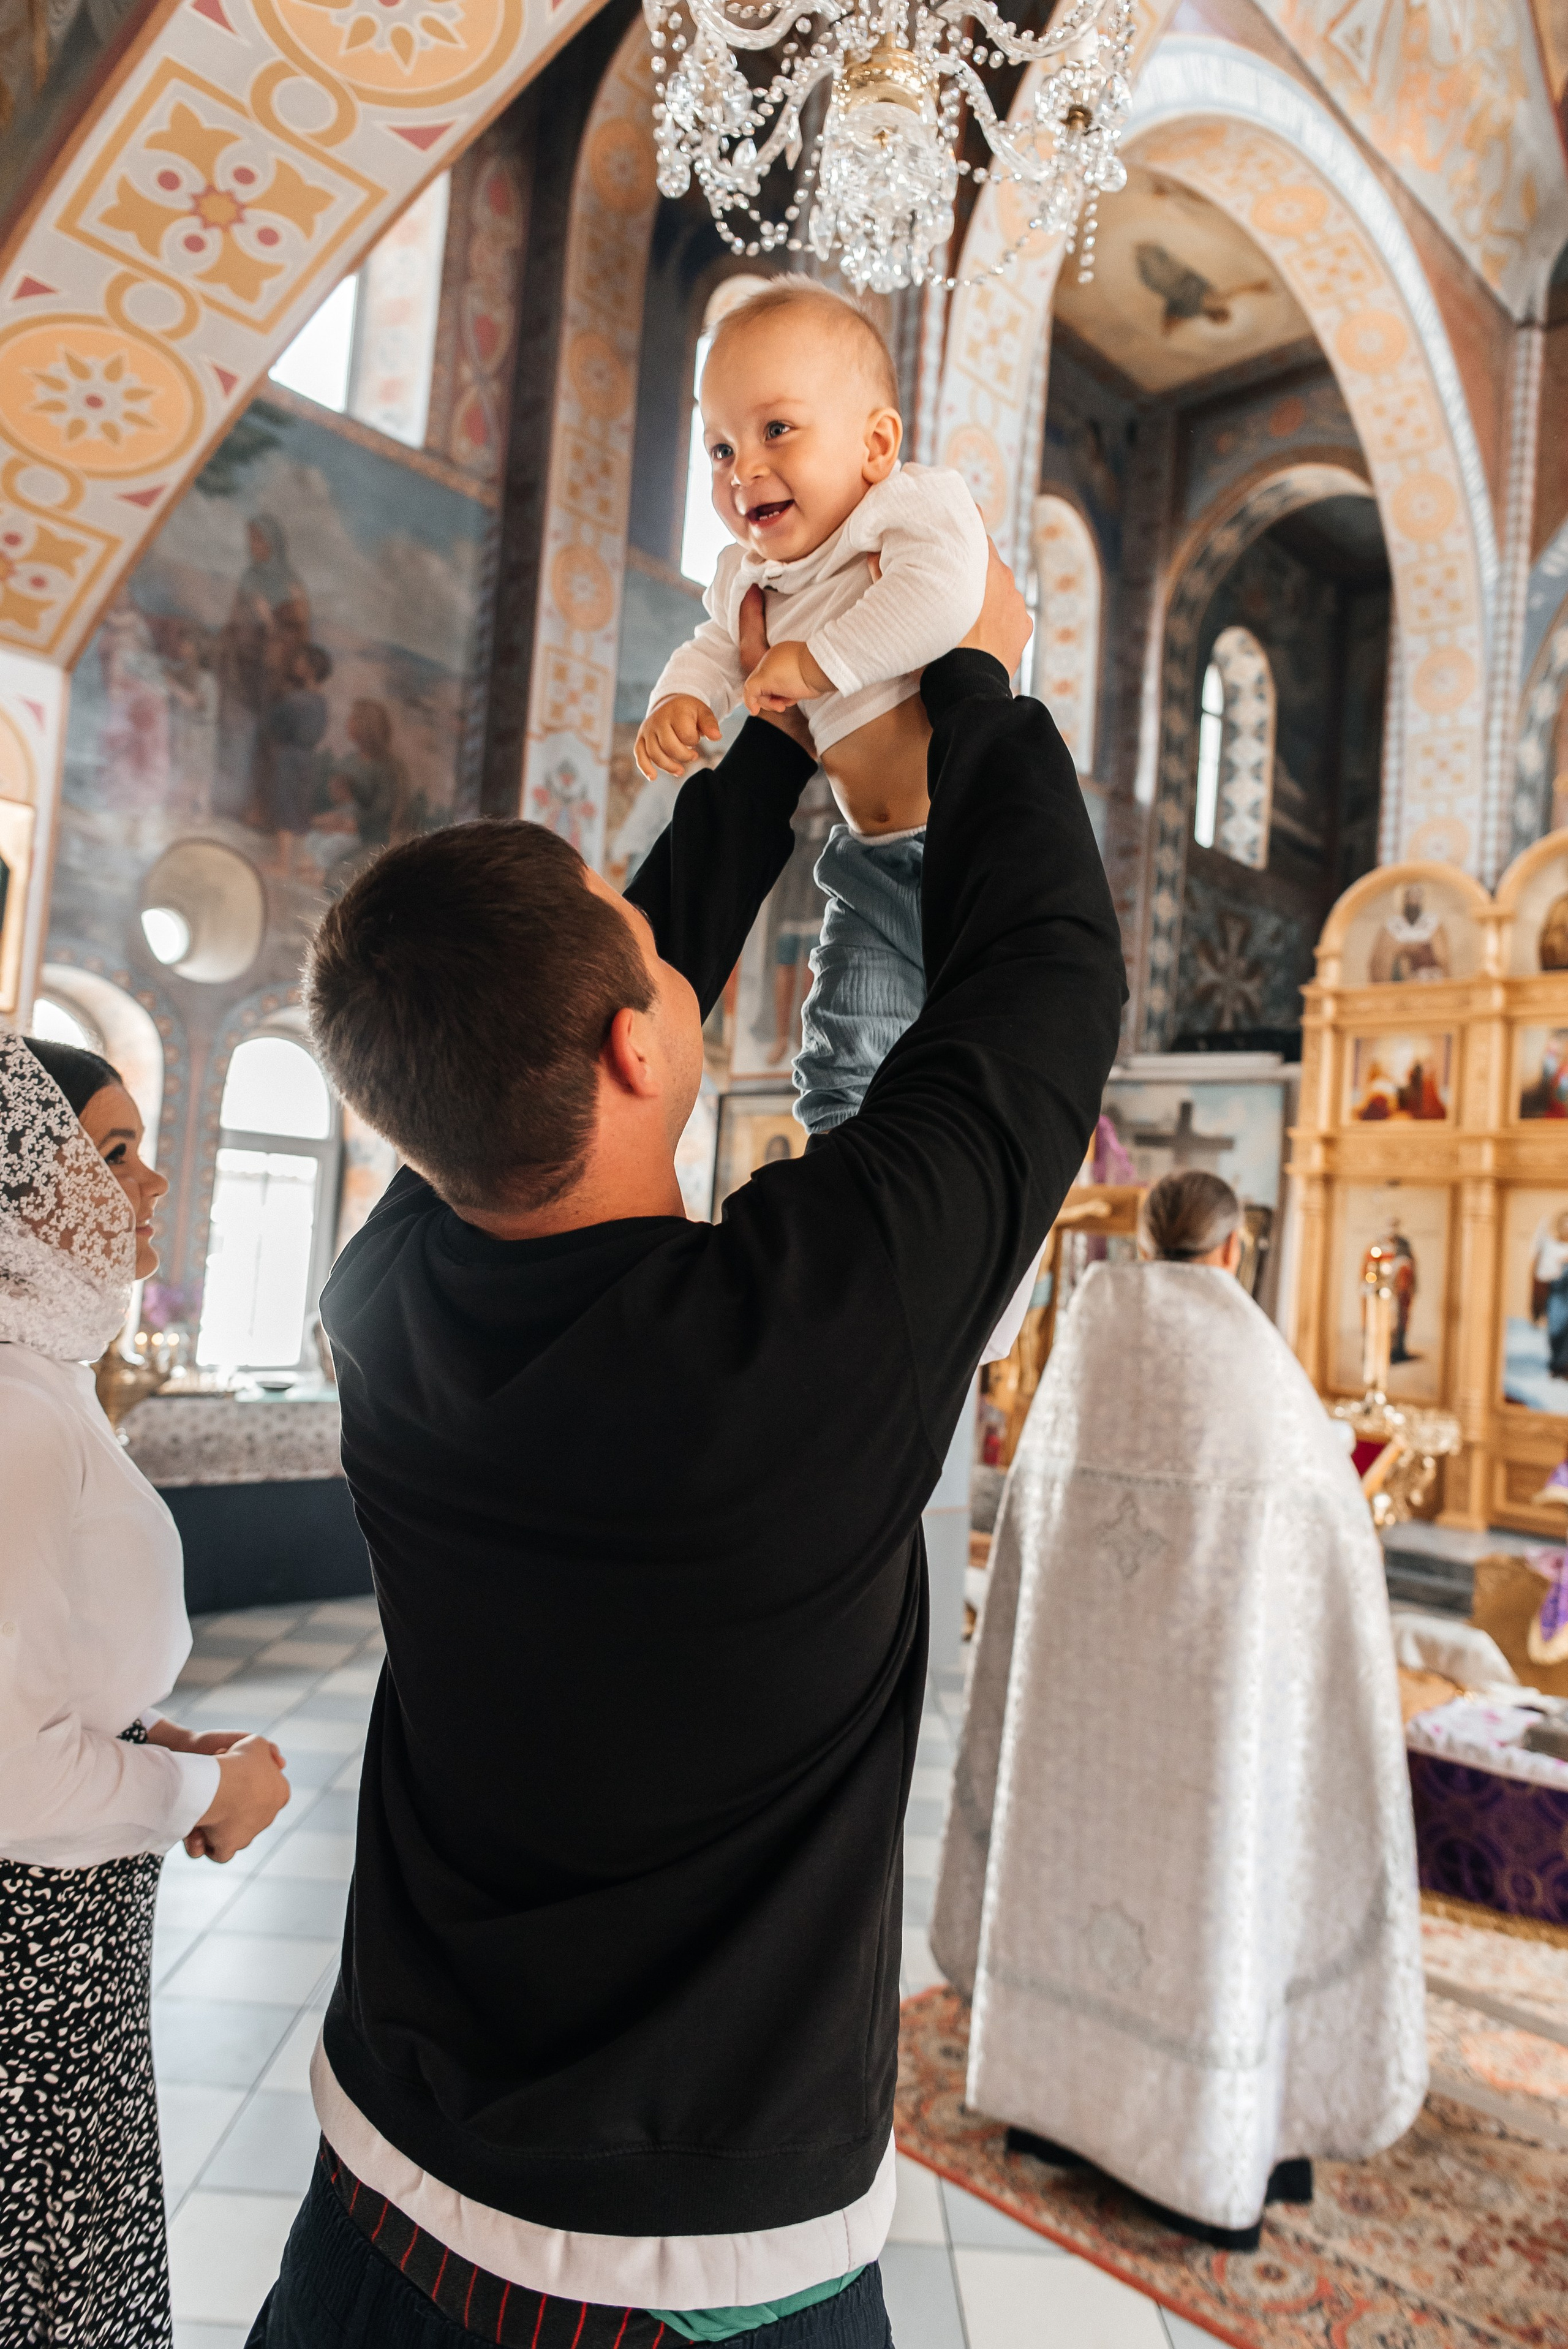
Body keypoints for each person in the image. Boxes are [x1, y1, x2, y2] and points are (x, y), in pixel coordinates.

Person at [244, 546, 1125, 2346]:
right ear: (643, 1051)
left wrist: (771, 738)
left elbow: (578, 1005)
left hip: (382, 2195)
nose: (668, 938)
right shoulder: (786, 1341)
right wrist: (974, 681)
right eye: (646, 948)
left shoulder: (388, 1294)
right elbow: (1039, 984)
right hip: (695, 2282)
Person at [930, 1167, 1427, 2251]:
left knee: (1075, 1870)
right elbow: (1329, 1551)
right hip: (1210, 1749)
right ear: (1236, 1252)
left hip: (1082, 1733)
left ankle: (1058, 2105)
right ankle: (1197, 2144)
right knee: (1211, 1907)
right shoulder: (1264, 1392)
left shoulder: (1082, 1368)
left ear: (1149, 1243)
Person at [0, 1033, 292, 2347]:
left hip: (72, 1950)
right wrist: (204, 1784)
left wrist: (151, 1734)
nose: (154, 1184)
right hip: (29, 1979)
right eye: (112, 1153)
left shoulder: (40, 1382)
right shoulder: (11, 1413)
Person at [636, 277, 988, 842]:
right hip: (863, 854)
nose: (743, 469)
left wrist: (811, 664)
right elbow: (718, 645)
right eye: (721, 448)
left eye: (777, 430)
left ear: (875, 446)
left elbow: (945, 593)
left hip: (967, 833)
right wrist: (680, 697)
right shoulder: (747, 574)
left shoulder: (904, 509)